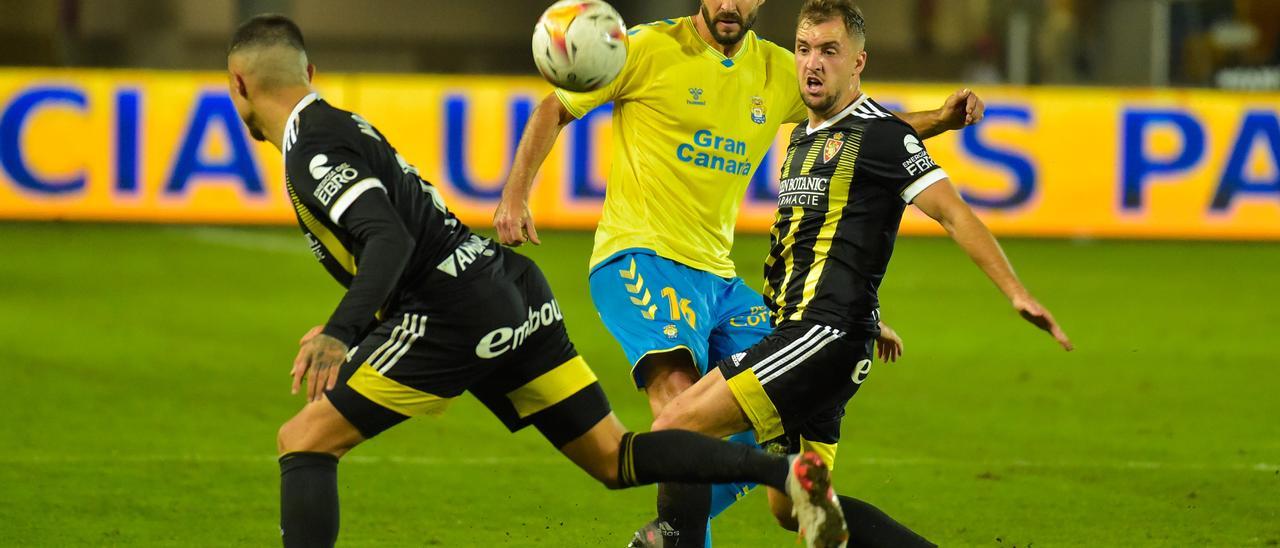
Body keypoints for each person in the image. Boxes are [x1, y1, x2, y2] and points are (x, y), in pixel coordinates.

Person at [225, 14, 848, 548]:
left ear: (239, 84)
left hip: (450, 310)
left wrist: (342, 332)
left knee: (302, 441)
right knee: (616, 457)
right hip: (508, 285)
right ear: (309, 74)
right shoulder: (342, 123)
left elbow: (390, 239)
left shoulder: (312, 149)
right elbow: (400, 235)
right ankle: (784, 472)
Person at [493, 1, 985, 544]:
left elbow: (862, 127)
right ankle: (678, 534)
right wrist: (515, 196)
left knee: (787, 421)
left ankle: (682, 525)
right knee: (682, 408)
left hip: (720, 280)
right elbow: (552, 109)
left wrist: (938, 120)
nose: (729, 4)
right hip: (640, 258)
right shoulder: (647, 47)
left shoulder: (777, 68)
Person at [644, 1, 1075, 546]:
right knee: (797, 510)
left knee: (672, 429)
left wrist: (1016, 292)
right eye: (803, 50)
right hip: (816, 333)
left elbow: (952, 211)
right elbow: (832, 242)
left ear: (858, 62)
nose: (812, 64)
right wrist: (871, 316)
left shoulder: (880, 136)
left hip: (820, 337)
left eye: (829, 51)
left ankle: (670, 538)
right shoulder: (808, 134)